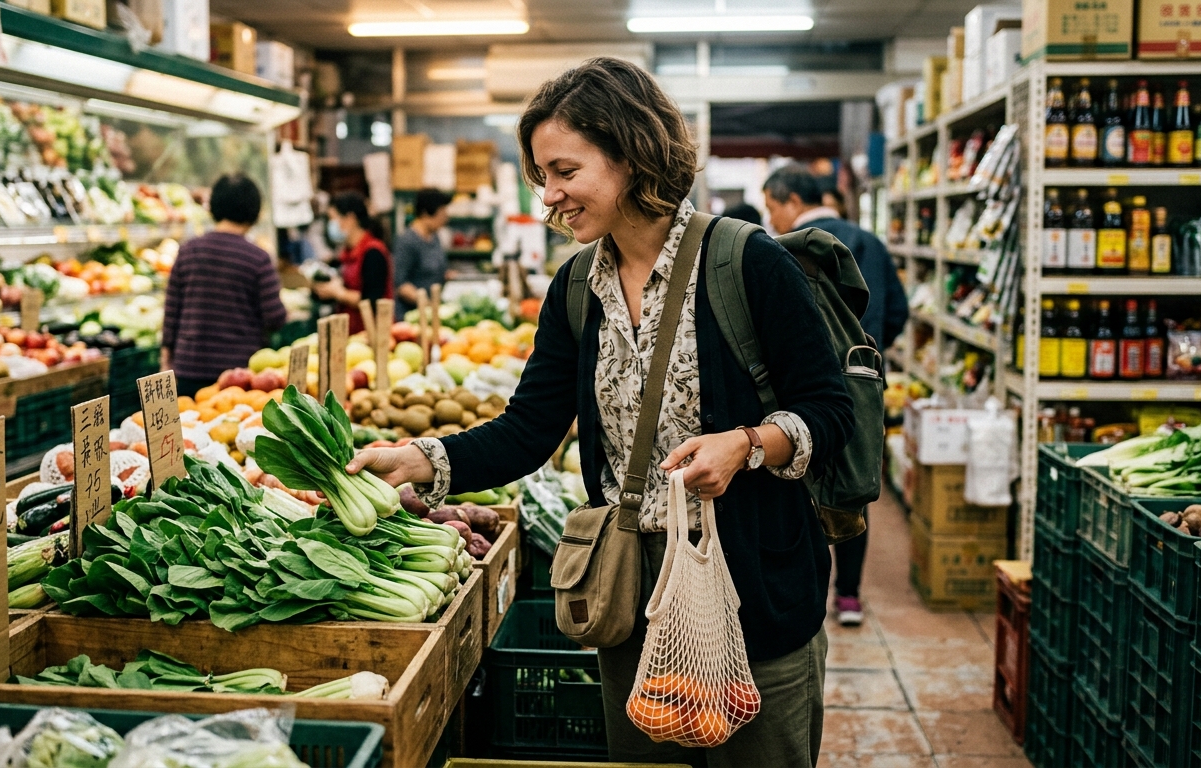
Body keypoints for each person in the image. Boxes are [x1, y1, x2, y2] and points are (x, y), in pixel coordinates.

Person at [348, 57, 853, 766]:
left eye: (564, 171)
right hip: (631, 602)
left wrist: (747, 443)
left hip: (755, 595)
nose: (549, 196)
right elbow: (530, 429)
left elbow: (832, 414)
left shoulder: (747, 264)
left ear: (631, 153)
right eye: (540, 176)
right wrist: (424, 459)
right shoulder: (577, 289)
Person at [762, 164, 908, 628]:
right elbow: (900, 311)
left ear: (792, 202)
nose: (773, 221)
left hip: (798, 391)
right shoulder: (871, 242)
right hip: (864, 385)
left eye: (773, 209)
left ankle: (804, 590)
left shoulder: (781, 253)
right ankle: (848, 596)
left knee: (797, 482)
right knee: (852, 486)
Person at [161, 173, 287, 398]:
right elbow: (275, 317)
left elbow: (171, 312)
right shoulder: (257, 258)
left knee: (191, 427)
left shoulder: (188, 250)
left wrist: (165, 363)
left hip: (190, 368)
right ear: (254, 211)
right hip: (238, 374)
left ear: (214, 208)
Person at [314, 192, 393, 333]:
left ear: (350, 219)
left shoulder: (373, 253)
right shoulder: (346, 253)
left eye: (333, 218)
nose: (331, 225)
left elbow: (372, 301)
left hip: (373, 334)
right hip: (350, 333)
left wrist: (339, 293)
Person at [393, 188, 454, 318]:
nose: (445, 218)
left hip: (433, 313)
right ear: (426, 214)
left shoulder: (435, 237)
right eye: (441, 214)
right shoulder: (407, 242)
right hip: (412, 315)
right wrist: (427, 304)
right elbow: (401, 284)